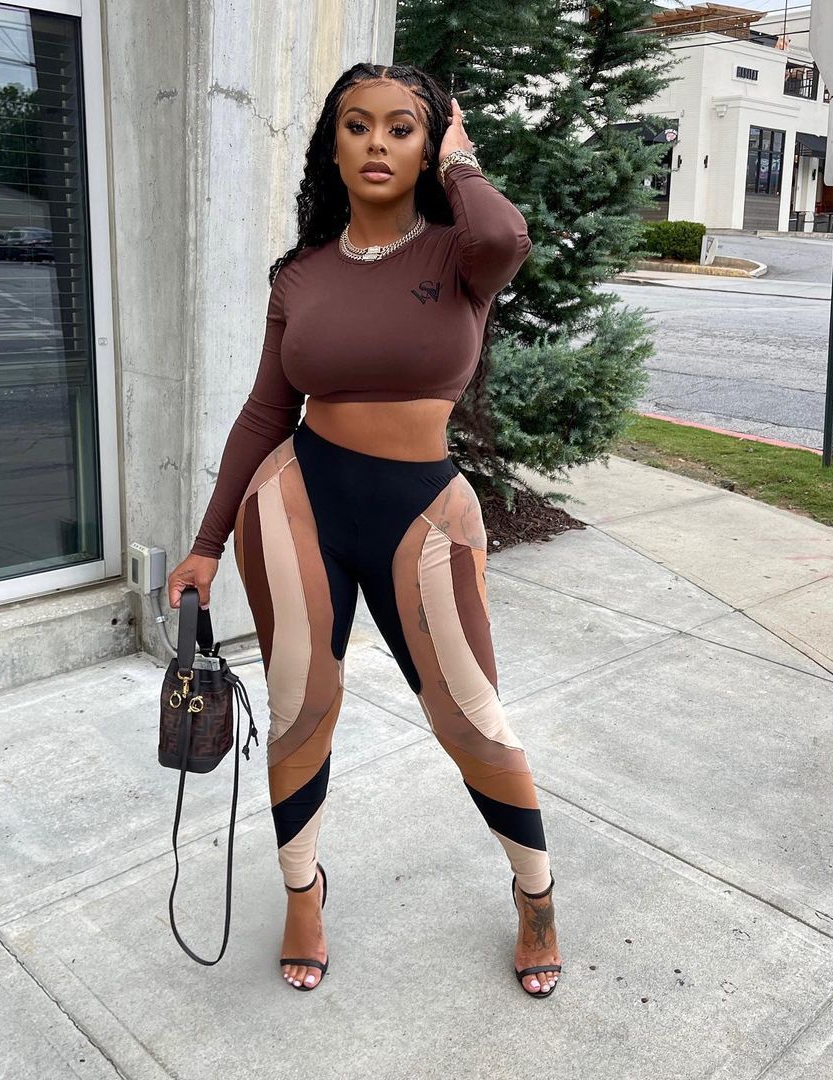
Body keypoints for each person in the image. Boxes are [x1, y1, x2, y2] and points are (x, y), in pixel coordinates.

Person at [167, 62, 562, 999]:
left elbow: (506, 233)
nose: (377, 143)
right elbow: (266, 412)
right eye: (357, 125)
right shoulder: (299, 275)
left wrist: (463, 158)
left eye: (401, 127)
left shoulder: (463, 255)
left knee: (471, 719)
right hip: (295, 497)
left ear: (429, 146)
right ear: (332, 146)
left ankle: (536, 894)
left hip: (423, 511)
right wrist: (206, 544)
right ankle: (302, 891)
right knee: (301, 708)